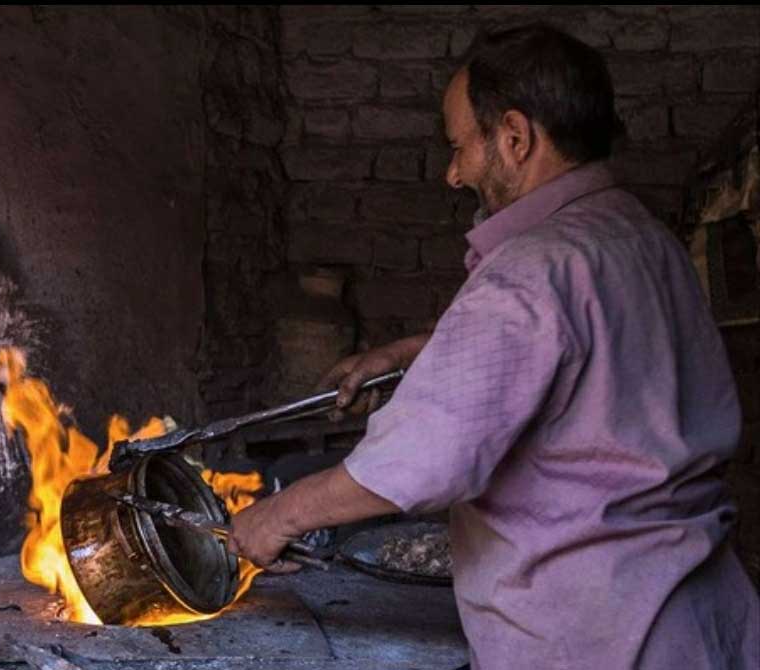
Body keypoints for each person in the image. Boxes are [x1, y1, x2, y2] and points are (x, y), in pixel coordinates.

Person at [227, 23, 760, 670]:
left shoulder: (528, 273)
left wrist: (276, 515)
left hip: (599, 641)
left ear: (514, 137)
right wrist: (411, 351)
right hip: (702, 621)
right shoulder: (643, 238)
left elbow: (424, 462)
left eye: (460, 148)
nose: (453, 175)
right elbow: (587, 344)